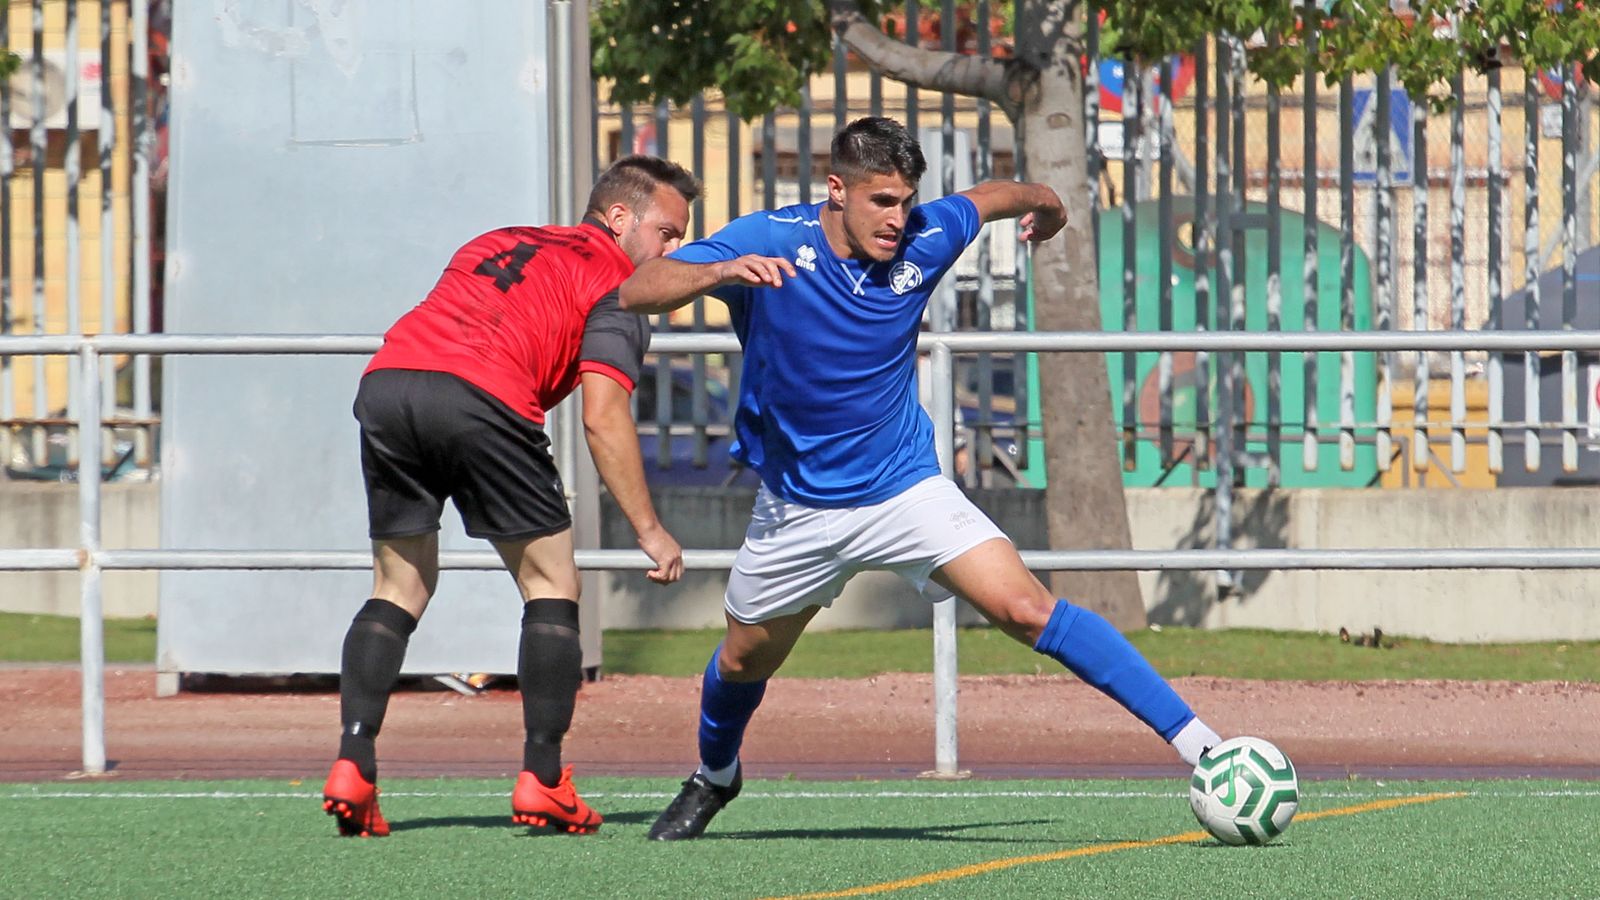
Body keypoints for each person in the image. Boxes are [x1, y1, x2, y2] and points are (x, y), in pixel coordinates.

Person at [618, 117, 1223, 841]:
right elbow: (639, 289)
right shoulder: (769, 239)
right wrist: (719, 272)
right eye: (882, 201)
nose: (898, 219)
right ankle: (714, 776)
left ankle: (1206, 751)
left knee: (1026, 609)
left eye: (907, 200)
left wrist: (1050, 204)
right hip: (797, 509)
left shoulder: (927, 235)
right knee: (743, 660)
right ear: (836, 191)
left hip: (905, 490)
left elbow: (996, 195)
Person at [321, 155, 698, 838]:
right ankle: (544, 778)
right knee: (553, 581)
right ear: (618, 218)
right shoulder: (620, 284)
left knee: (398, 585)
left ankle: (353, 763)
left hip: (388, 383)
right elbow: (603, 413)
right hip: (482, 396)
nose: (673, 251)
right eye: (667, 234)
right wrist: (649, 528)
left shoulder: (496, 238)